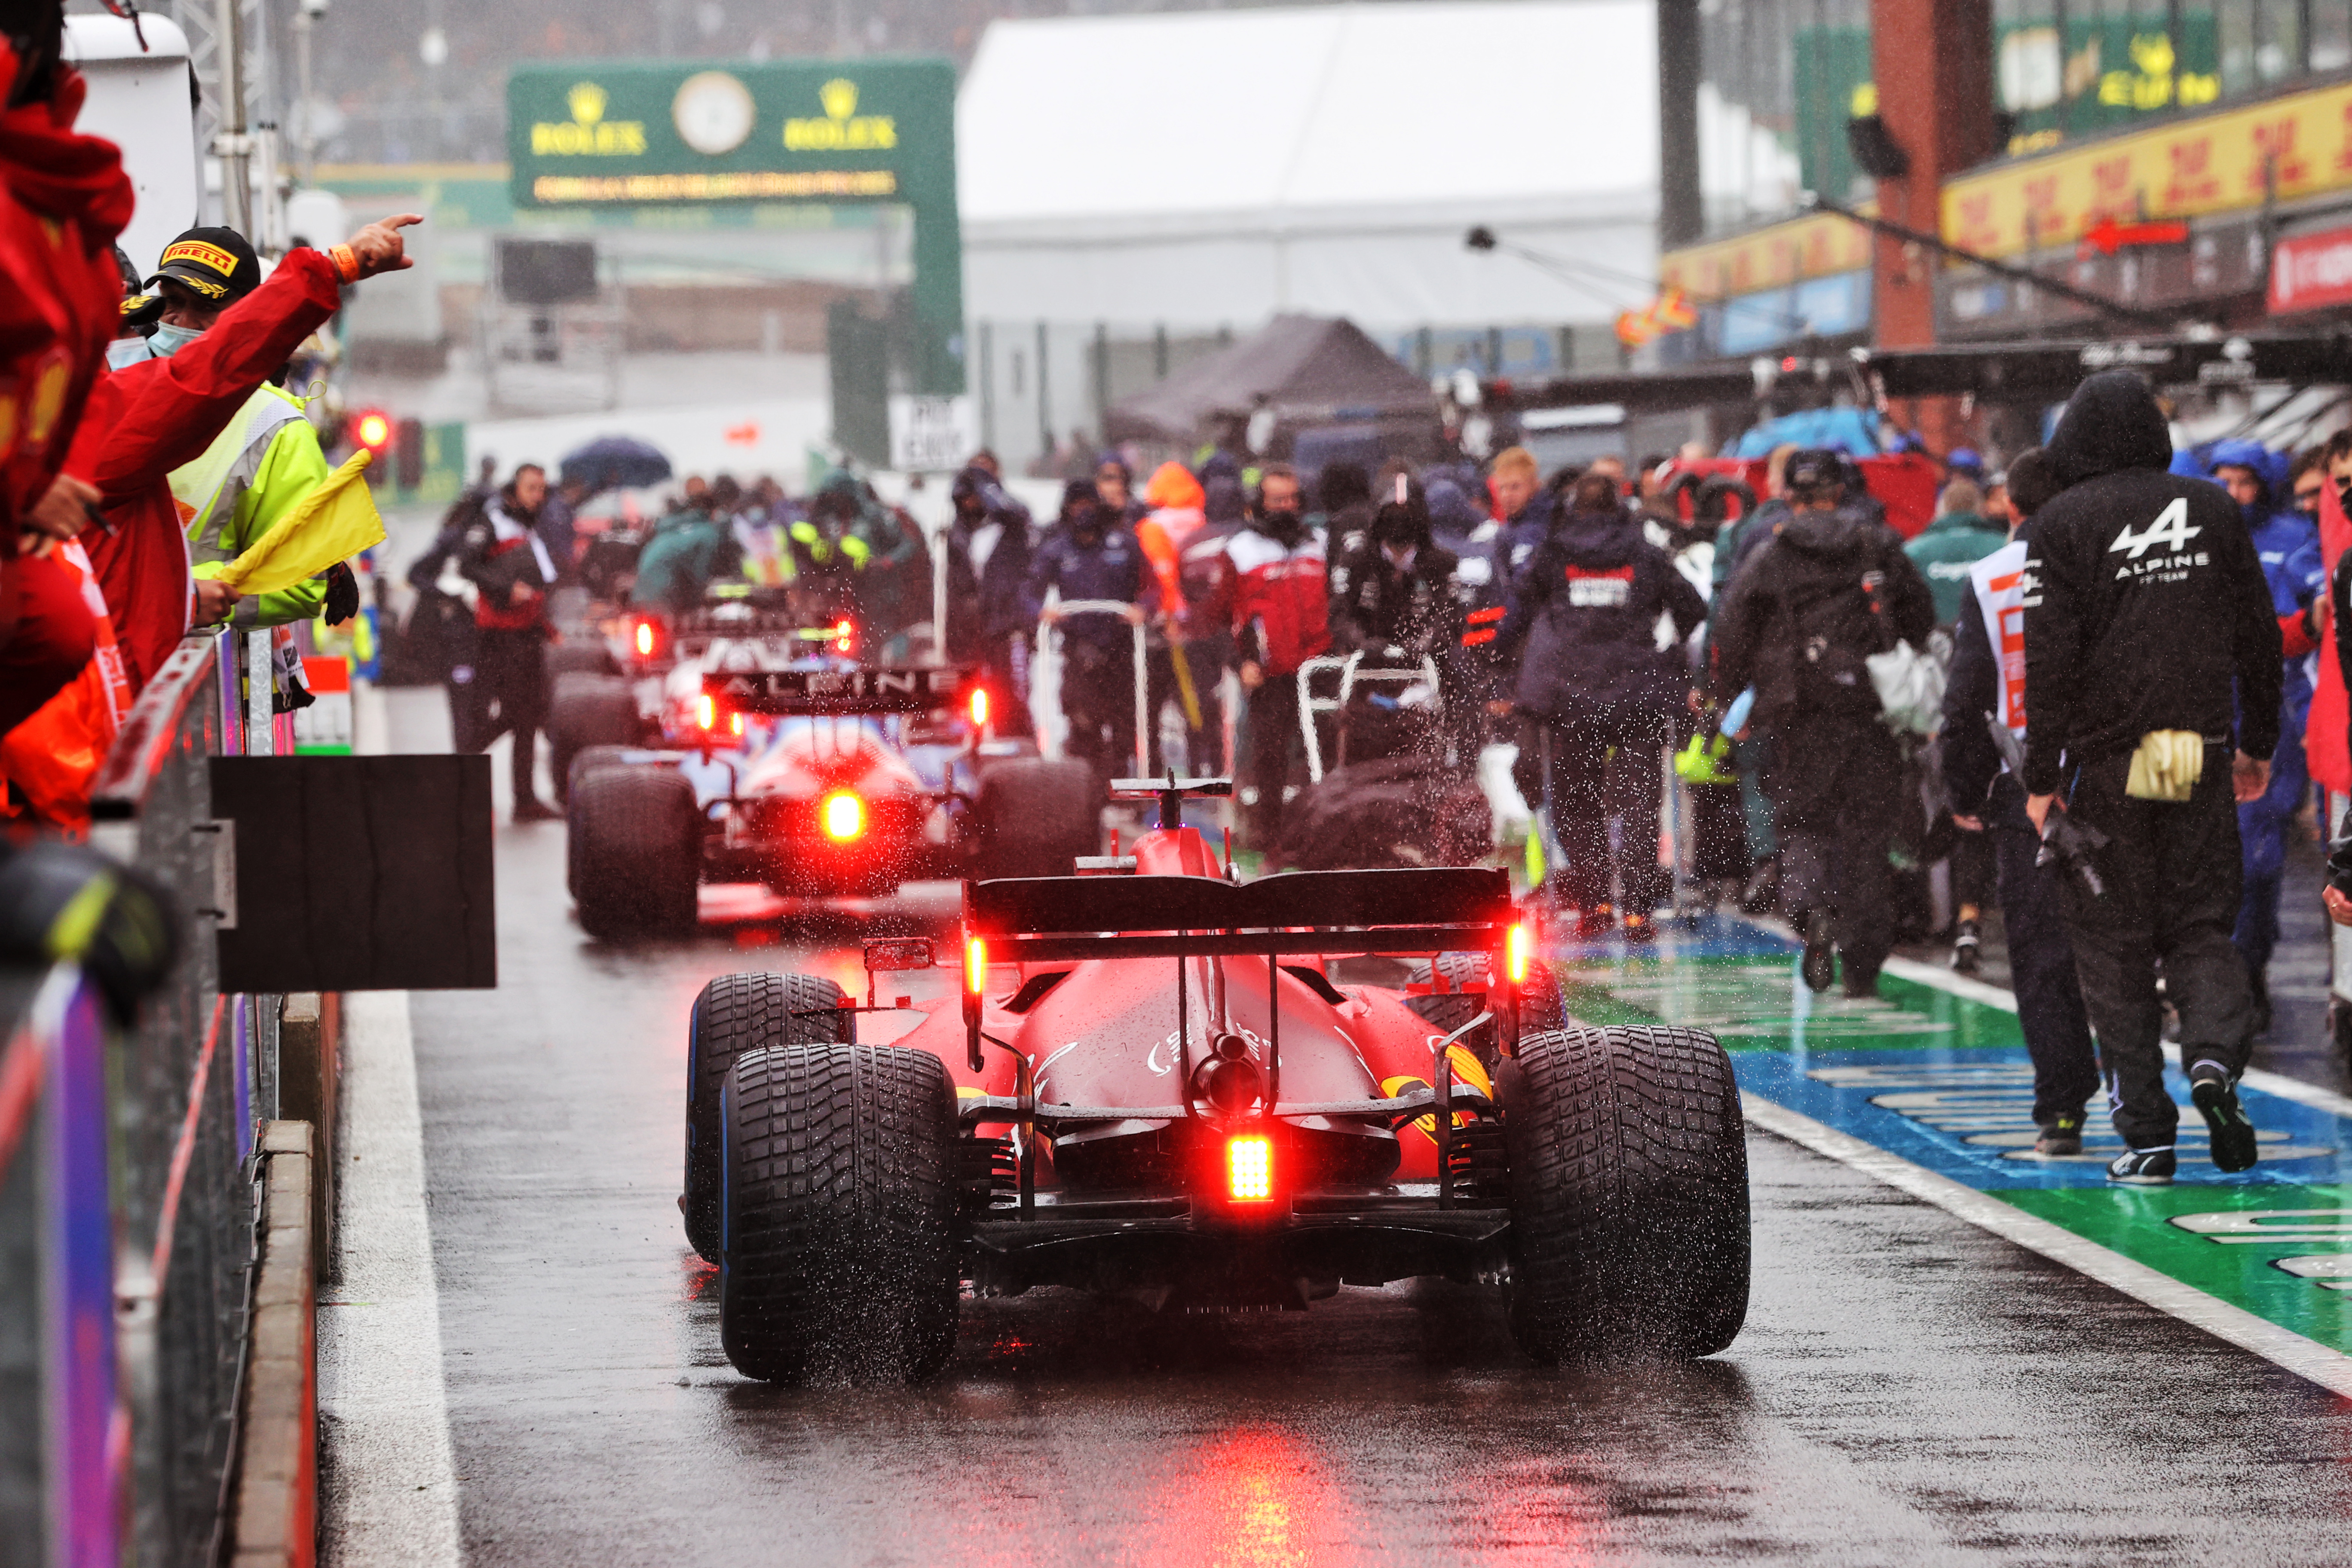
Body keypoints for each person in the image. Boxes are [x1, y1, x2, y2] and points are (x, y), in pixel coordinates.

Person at [2022, 371, 2280, 1185]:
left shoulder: (2059, 522)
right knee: (2200, 925)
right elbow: (2260, 638)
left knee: (2113, 945)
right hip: (2191, 750)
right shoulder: (2213, 508)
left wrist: (2038, 776)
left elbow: (2048, 660)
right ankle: (2211, 1061)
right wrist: (2256, 742)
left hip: (2110, 763)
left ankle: (2147, 1135)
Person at [1714, 448, 1936, 997]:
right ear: (1841, 491)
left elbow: (1732, 627)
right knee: (1867, 836)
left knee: (1804, 824)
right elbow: (1921, 613)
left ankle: (1809, 909)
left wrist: (1735, 698)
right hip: (1869, 708)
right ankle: (1863, 963)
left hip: (1797, 711)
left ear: (1788, 495)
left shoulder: (1771, 554)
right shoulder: (1875, 543)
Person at [1939, 447, 2101, 1155]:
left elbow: (1967, 692)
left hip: (2021, 786)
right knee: (2117, 943)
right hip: (2104, 770)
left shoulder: (1993, 574)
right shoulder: (2104, 560)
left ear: (2010, 507)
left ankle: (2061, 1109)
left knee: (2040, 952)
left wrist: (1960, 786)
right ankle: (2142, 1103)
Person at [1501, 471, 1706, 939]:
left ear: (1574, 507)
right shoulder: (1643, 551)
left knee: (1576, 802)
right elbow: (1692, 607)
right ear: (1619, 506)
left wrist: (1502, 662)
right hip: (1637, 687)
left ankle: (1594, 903)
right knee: (1640, 801)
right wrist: (1662, 647)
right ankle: (1637, 910)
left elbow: (1517, 611)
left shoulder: (1553, 551)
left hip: (1571, 692)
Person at [122, 228, 334, 632]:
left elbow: (299, 584)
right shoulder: (123, 391)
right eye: (171, 302)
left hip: (196, 676)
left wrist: (182, 595)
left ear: (245, 317)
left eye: (202, 305)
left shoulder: (277, 430)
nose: (180, 320)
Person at [2209, 440, 2324, 1035]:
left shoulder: (2292, 542)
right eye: (2221, 480)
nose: (2232, 493)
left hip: (2273, 717)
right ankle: (2213, 978)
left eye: (2243, 481)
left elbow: (2322, 610)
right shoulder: (2195, 539)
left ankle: (2248, 968)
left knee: (2258, 858)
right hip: (2202, 716)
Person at [1903, 476, 2010, 969]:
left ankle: (1957, 919)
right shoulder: (2003, 549)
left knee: (1955, 808)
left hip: (1939, 703)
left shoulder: (1916, 551)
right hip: (2009, 701)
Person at [1206, 463, 1329, 851]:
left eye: (1292, 499)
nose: (1286, 507)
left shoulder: (1320, 543)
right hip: (1267, 672)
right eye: (1277, 500)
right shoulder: (1240, 551)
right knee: (1271, 758)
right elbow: (1217, 619)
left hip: (1318, 668)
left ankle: (1322, 832)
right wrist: (1240, 662)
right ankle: (1271, 836)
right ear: (1260, 504)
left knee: (1320, 755)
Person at [1324, 469, 1464, 767]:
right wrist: (1361, 642)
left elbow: (1449, 615)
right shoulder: (1357, 558)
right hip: (1367, 668)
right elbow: (1339, 612)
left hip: (1424, 668)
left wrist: (1425, 643)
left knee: (1451, 702)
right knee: (1355, 736)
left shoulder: (1442, 561)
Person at [1024, 479, 1151, 785]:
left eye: (1089, 505)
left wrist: (1142, 608)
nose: (1084, 512)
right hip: (1079, 648)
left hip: (1120, 648)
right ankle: (1087, 790)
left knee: (1123, 724)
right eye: (1077, 505)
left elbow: (1152, 587)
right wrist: (1042, 613)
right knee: (1082, 723)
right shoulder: (1056, 549)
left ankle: (1122, 787)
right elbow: (1028, 593)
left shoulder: (1124, 544)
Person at [458, 465, 561, 822]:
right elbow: (466, 567)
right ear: (513, 490)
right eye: (532, 488)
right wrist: (505, 589)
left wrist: (547, 627)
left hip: (528, 633)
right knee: (517, 714)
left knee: (529, 715)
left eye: (542, 489)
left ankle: (525, 799)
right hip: (501, 637)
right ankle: (461, 761)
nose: (538, 496)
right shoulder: (492, 523)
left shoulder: (528, 527)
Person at [944, 463, 1038, 736]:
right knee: (972, 695)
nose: (970, 504)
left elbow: (1016, 513)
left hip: (1008, 627)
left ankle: (1018, 750)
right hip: (973, 628)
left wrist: (988, 490)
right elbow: (955, 585)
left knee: (1012, 696)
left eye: (975, 497)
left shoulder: (1012, 528)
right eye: (964, 499)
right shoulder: (958, 534)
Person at [631, 478, 738, 615]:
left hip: (641, 590)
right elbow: (701, 573)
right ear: (713, 512)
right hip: (664, 593)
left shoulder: (672, 526)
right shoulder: (708, 533)